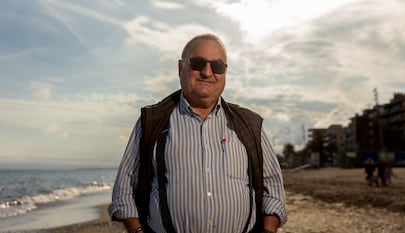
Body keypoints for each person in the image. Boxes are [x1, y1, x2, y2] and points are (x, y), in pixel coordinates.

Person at [108, 33, 287, 233]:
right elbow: (124, 190)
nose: (207, 72)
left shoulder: (250, 125)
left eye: (217, 66)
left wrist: (268, 230)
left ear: (225, 73)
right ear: (180, 68)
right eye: (198, 63)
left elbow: (273, 189)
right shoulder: (152, 122)